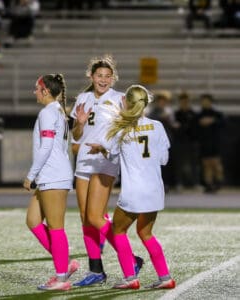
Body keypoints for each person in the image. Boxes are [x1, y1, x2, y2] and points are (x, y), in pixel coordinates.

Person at [86, 84, 176, 289]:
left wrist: (101, 149)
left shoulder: (120, 129)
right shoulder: (158, 126)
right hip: (155, 190)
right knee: (146, 234)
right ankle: (165, 278)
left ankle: (130, 277)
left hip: (134, 191)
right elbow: (163, 159)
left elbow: (113, 156)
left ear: (126, 102)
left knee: (118, 231)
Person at [70, 55, 143, 286]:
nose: (103, 79)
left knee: (94, 216)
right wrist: (79, 123)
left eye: (107, 76)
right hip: (83, 160)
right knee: (85, 218)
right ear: (91, 77)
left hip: (105, 160)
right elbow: (76, 136)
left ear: (113, 78)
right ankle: (96, 271)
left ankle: (131, 258)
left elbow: (130, 132)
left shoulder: (120, 99)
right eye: (99, 75)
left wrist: (124, 121)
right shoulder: (83, 98)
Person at [23, 74, 79, 291]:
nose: (34, 92)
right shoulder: (57, 111)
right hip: (52, 175)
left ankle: (61, 277)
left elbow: (46, 146)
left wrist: (31, 175)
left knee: (56, 229)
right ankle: (65, 264)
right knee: (33, 221)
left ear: (45, 90)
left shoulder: (48, 112)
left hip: (53, 175)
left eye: (37, 88)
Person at [196, 94, 225, 193]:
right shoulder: (199, 115)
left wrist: (212, 120)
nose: (205, 103)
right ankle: (209, 184)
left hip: (215, 142)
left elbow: (224, 123)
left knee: (216, 163)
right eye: (203, 101)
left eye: (207, 101)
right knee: (206, 164)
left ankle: (219, 182)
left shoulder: (217, 114)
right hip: (204, 143)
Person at [174, 92, 199, 190]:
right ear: (180, 102)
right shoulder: (176, 114)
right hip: (180, 141)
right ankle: (179, 183)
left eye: (186, 101)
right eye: (182, 101)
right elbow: (175, 127)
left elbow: (196, 128)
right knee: (179, 163)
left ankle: (196, 183)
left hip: (192, 141)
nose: (184, 103)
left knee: (194, 163)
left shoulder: (193, 114)